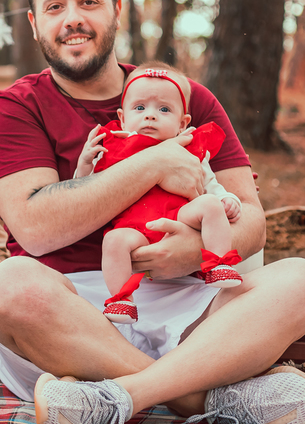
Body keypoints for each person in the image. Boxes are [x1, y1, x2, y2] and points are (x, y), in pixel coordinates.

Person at [0, 0, 305, 424]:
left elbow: (251, 220)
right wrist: (154, 164)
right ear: (34, 23)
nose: (72, 18)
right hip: (72, 319)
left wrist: (195, 252)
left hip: (188, 306)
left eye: (89, 2)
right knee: (8, 288)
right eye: (54, 6)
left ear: (116, 10)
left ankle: (118, 398)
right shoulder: (15, 108)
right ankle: (198, 396)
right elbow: (35, 229)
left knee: (301, 281)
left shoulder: (183, 98)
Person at [71, 62, 244, 325]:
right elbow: (84, 195)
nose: (150, 116)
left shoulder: (190, 147)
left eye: (164, 109)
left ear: (182, 122)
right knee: (114, 241)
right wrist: (84, 164)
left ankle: (219, 264)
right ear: (122, 117)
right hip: (135, 229)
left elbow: (209, 183)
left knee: (209, 204)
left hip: (180, 219)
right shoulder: (112, 148)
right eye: (139, 108)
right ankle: (121, 299)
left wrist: (226, 200)